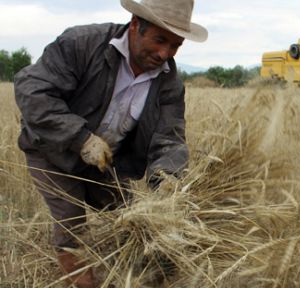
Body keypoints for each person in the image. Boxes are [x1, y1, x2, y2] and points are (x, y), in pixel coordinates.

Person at [14, 0, 207, 286]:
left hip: (107, 164)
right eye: (160, 40)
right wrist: (80, 138)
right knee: (72, 230)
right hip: (52, 152)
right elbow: (31, 91)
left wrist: (167, 183)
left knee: (139, 223)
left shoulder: (169, 83)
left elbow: (169, 139)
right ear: (135, 26)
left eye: (176, 45)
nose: (165, 53)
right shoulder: (81, 44)